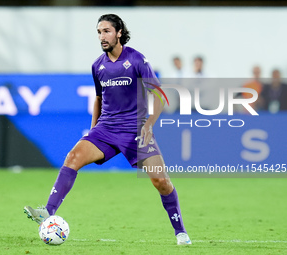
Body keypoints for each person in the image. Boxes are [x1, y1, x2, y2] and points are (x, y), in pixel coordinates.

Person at [24, 14, 191, 245]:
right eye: (99, 32)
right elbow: (99, 100)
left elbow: (160, 96)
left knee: (161, 181)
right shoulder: (98, 65)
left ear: (119, 32)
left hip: (135, 130)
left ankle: (180, 231)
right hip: (106, 129)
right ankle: (48, 211)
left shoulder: (137, 60)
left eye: (106, 31)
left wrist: (150, 124)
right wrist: (92, 131)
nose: (102, 37)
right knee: (73, 157)